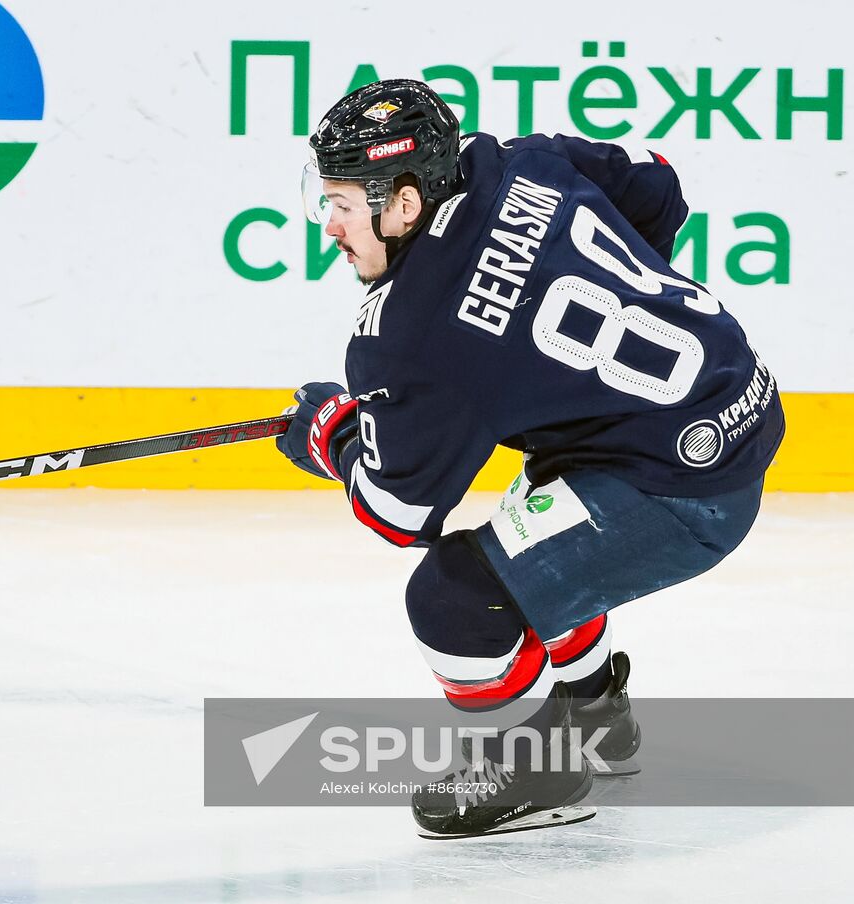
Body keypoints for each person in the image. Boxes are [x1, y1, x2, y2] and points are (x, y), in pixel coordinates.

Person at [276, 79, 784, 838]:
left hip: (682, 493)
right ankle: (597, 714)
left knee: (455, 602)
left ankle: (542, 767)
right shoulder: (509, 160)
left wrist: (334, 434)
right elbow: (658, 183)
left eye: (343, 205)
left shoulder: (409, 335)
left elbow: (398, 513)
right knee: (526, 547)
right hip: (736, 398)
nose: (330, 227)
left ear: (405, 204)